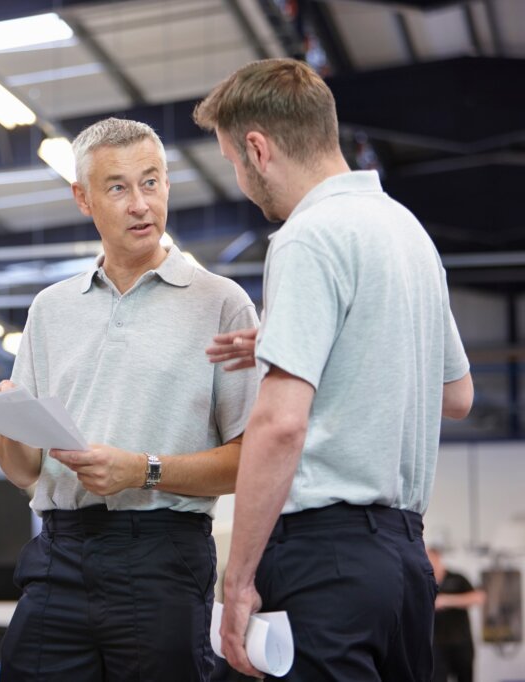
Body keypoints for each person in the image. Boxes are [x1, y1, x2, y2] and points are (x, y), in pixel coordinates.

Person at [193, 58, 475, 680]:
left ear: (258, 149)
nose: (239, 179)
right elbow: (458, 394)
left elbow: (281, 424)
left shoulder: (307, 236)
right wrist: (309, 335)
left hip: (326, 562)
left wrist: (236, 581)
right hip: (403, 567)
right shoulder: (408, 233)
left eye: (233, 162)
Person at [0, 117, 260, 682]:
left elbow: (249, 460)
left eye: (152, 181)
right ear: (82, 198)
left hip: (163, 558)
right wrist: (9, 426)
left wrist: (143, 470)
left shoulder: (220, 302)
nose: (140, 204)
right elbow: (23, 471)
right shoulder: (51, 308)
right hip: (58, 554)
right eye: (117, 188)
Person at [429, 547, 486, 682]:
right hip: (436, 646)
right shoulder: (425, 583)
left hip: (461, 643)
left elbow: (478, 597)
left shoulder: (457, 578)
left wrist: (447, 600)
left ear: (438, 558)